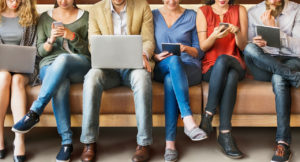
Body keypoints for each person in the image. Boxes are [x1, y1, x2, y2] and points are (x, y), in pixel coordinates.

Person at [12, 0, 90, 161]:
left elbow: (89, 50)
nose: (63, 1)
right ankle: (67, 143)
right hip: (49, 65)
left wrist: (72, 36)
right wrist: (51, 40)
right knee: (60, 83)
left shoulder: (86, 17)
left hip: (78, 63)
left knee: (62, 59)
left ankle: (35, 112)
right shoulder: (44, 18)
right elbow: (40, 51)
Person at [79, 0, 154, 162]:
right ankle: (89, 142)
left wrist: (143, 54)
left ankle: (143, 143)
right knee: (91, 77)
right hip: (108, 68)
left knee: (143, 78)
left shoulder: (143, 6)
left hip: (133, 67)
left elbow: (148, 40)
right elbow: (93, 43)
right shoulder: (96, 9)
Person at [244, 0, 300, 161]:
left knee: (278, 78)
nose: (274, 1)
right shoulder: (253, 11)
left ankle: (282, 144)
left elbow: (299, 48)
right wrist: (256, 42)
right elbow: (247, 44)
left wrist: (275, 31)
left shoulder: (297, 10)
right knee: (249, 49)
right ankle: (294, 77)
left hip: (290, 60)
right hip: (264, 62)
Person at [152, 0, 207, 161]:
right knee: (173, 63)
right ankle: (188, 120)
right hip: (162, 66)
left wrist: (185, 48)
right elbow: (145, 45)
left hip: (189, 67)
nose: (172, 1)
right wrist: (155, 56)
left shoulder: (192, 16)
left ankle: (170, 145)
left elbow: (200, 52)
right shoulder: (153, 15)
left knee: (171, 79)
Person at [196, 0, 248, 159]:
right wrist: (214, 35)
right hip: (211, 68)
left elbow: (243, 46)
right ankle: (225, 134)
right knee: (230, 76)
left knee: (224, 60)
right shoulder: (203, 11)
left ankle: (208, 114)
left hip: (236, 62)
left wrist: (237, 32)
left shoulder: (240, 10)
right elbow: (203, 47)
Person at [0, 0, 38, 161]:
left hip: (24, 67)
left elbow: (35, 48)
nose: (14, 2)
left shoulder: (31, 17)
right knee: (4, 77)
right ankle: (0, 136)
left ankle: (19, 139)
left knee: (16, 80)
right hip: (1, 68)